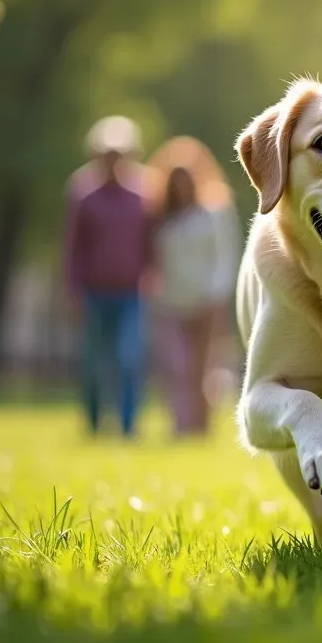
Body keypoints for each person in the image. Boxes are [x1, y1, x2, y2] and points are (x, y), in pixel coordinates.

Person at [64, 116, 155, 438]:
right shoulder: (82, 193)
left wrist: (153, 275)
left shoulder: (143, 193)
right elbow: (73, 247)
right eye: (107, 154)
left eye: (120, 154)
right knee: (92, 363)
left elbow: (151, 242)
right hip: (93, 292)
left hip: (131, 293)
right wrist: (73, 290)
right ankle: (92, 422)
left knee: (129, 359)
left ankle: (128, 425)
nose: (113, 160)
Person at [146, 136, 240, 438]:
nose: (181, 184)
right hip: (170, 303)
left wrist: (216, 294)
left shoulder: (214, 212)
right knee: (177, 368)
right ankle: (180, 425)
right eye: (175, 178)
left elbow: (225, 254)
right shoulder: (161, 217)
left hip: (206, 302)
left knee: (202, 369)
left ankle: (199, 429)